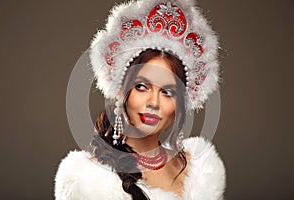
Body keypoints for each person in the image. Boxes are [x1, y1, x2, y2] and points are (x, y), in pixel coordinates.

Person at [55, 0, 226, 199]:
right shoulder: (88, 180)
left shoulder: (201, 172)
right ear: (121, 92)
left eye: (167, 92)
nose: (153, 102)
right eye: (141, 87)